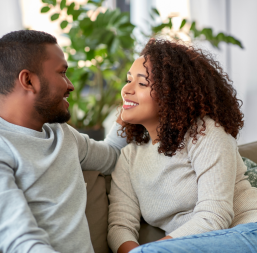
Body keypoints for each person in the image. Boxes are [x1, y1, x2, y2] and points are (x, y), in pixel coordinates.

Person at [0, 30, 127, 253]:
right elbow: (20, 243)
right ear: (28, 80)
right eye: (62, 73)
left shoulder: (62, 134)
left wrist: (129, 111)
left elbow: (112, 156)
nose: (71, 85)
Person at [107, 39, 257, 253]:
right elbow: (120, 226)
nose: (126, 90)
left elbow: (215, 216)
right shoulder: (129, 156)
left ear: (171, 94)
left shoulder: (205, 131)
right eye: (128, 80)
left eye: (142, 84)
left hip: (249, 232)